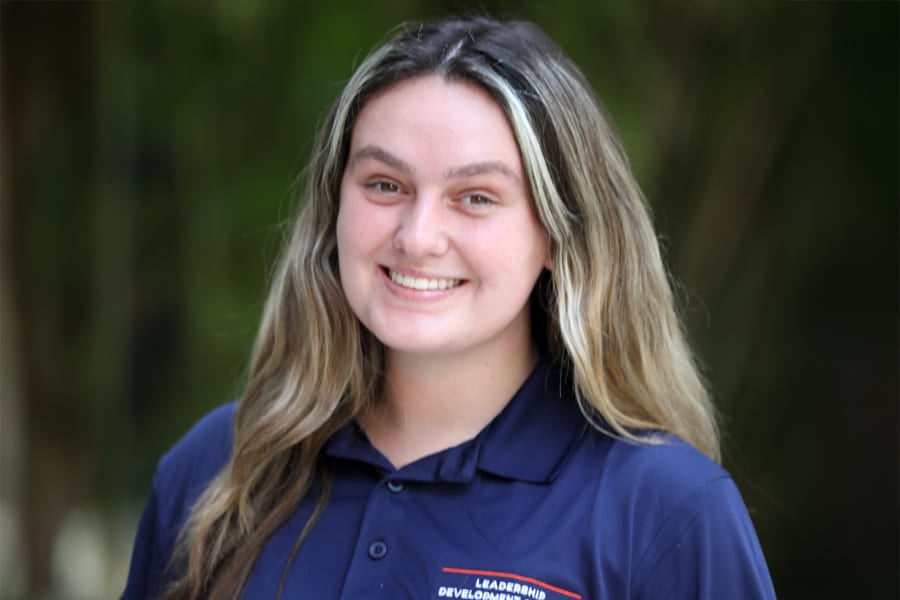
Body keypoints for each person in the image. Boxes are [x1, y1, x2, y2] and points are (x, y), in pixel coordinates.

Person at [123, 14, 776, 600]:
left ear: (559, 235)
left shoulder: (666, 511)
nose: (417, 237)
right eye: (385, 184)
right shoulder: (219, 470)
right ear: (334, 209)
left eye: (476, 197)